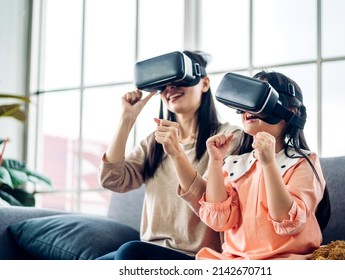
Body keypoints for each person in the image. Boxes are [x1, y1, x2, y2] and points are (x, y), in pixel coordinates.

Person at [96, 50, 242, 260]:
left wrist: (176, 152)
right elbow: (111, 180)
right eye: (163, 85)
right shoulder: (153, 142)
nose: (170, 88)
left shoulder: (227, 138)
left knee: (129, 252)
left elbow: (211, 204)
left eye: (179, 80)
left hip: (197, 257)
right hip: (149, 250)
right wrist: (126, 119)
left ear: (205, 83)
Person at [195, 70, 327, 260]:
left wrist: (269, 163)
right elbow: (220, 220)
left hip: (285, 260)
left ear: (290, 111)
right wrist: (215, 162)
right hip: (237, 261)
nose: (250, 107)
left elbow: (287, 221)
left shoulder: (303, 162)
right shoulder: (235, 164)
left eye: (259, 99)